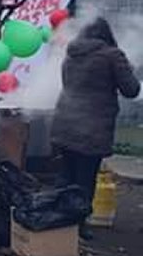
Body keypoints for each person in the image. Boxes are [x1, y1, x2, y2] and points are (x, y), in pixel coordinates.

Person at [52, 17, 140, 235]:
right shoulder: (113, 56)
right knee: (85, 179)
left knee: (66, 176)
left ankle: (59, 223)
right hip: (91, 128)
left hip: (64, 122)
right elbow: (131, 89)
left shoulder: (72, 53)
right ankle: (78, 226)